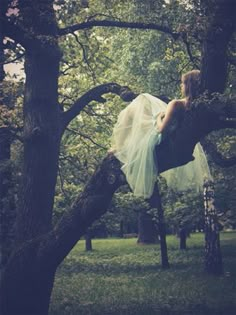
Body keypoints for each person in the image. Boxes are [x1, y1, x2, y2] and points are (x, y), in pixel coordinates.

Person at [110, 70, 212, 198]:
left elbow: (161, 129)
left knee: (138, 104)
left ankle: (118, 147)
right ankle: (118, 147)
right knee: (140, 104)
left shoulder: (176, 104)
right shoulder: (195, 106)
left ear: (188, 85)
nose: (181, 86)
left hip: (159, 137)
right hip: (170, 139)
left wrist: (159, 117)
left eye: (182, 83)